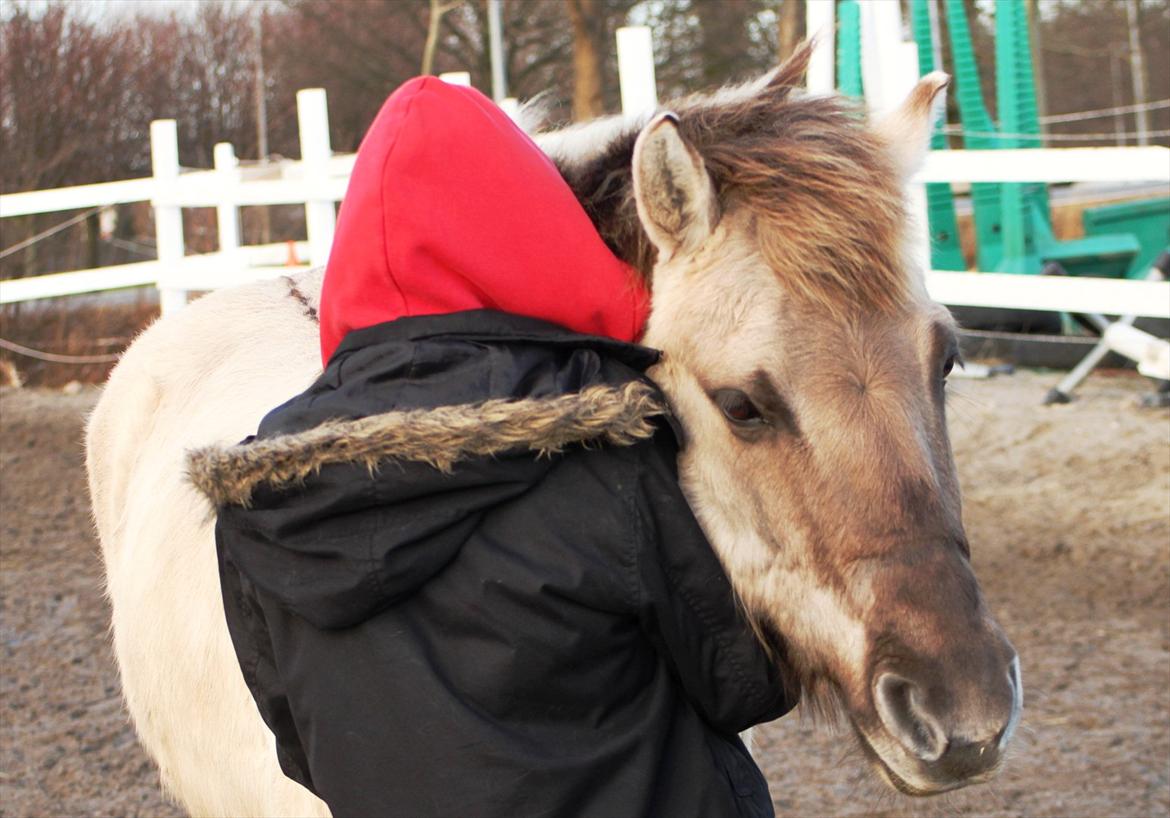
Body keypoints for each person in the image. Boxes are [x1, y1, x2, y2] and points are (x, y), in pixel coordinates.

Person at [190, 76, 797, 818]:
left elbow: (301, 748)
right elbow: (743, 682)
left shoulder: (259, 506)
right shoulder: (606, 452)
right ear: (528, 229)